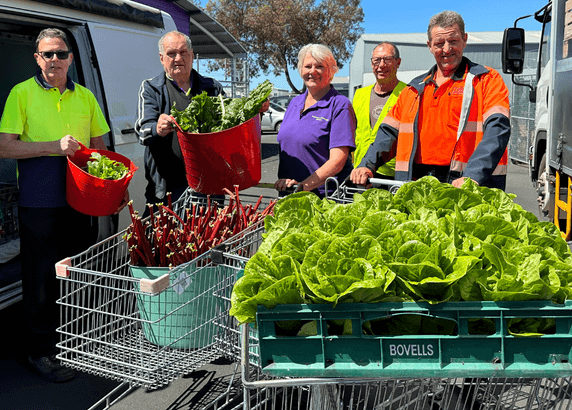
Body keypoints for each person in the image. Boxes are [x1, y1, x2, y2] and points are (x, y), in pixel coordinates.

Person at [0, 28, 114, 382]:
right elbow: (5, 146)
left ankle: (75, 342)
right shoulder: (21, 93)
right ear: (37, 58)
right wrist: (53, 146)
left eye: (61, 54)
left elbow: (100, 149)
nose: (54, 60)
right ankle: (40, 351)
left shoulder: (86, 97)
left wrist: (113, 187)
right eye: (47, 54)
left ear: (71, 58)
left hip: (81, 200)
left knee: (78, 273)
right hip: (40, 202)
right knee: (41, 281)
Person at [351, 11, 510, 190]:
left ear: (464, 39)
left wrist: (474, 175)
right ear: (429, 46)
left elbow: (497, 129)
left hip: (466, 183)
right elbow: (388, 134)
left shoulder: (486, 80)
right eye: (439, 43)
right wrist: (367, 164)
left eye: (453, 41)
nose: (447, 49)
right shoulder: (413, 89)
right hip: (415, 182)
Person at [135, 31, 268, 212]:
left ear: (191, 55)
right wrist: (156, 129)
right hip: (167, 190)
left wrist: (255, 112)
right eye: (171, 54)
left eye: (183, 53)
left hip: (209, 187)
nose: (178, 58)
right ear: (161, 58)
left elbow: (231, 128)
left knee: (207, 237)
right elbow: (142, 132)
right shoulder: (151, 88)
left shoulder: (212, 87)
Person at [274, 44, 356, 197]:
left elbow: (337, 161)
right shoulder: (294, 103)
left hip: (324, 197)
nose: (312, 71)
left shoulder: (339, 104)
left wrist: (303, 185)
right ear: (301, 70)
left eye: (319, 66)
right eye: (307, 66)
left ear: (331, 71)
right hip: (289, 193)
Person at [352, 42, 406, 179]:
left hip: (391, 173)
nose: (381, 65)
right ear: (371, 64)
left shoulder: (408, 93)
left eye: (387, 59)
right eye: (376, 60)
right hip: (359, 171)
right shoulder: (359, 95)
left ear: (398, 62)